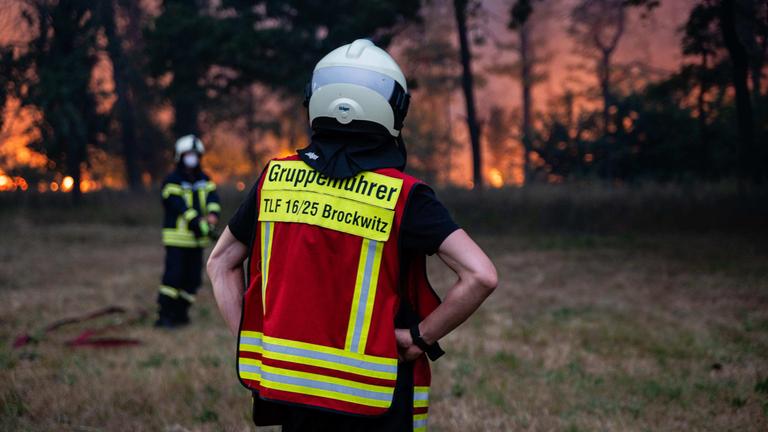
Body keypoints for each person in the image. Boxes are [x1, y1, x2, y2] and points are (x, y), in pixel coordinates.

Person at [207, 39, 497, 431]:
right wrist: (418, 338)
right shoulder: (404, 195)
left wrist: (254, 341)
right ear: (395, 110)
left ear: (315, 101)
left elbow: (221, 262)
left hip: (289, 389)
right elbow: (481, 275)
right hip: (371, 398)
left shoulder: (274, 179)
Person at [156, 134, 221, 328]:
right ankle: (165, 315)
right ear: (180, 156)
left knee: (193, 279)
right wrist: (195, 219)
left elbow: (213, 199)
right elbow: (177, 204)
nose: (192, 157)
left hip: (197, 241)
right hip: (177, 239)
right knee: (173, 277)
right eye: (188, 154)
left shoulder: (205, 179)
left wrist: (212, 216)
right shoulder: (172, 180)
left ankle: (181, 313)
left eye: (195, 154)